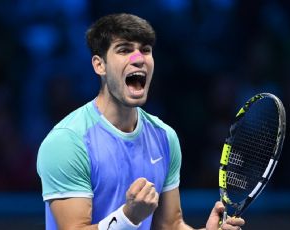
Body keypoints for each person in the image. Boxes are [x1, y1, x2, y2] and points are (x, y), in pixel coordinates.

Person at [37, 13, 245, 230]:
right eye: (124, 50)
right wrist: (127, 218)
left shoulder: (165, 137)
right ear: (100, 66)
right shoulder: (67, 141)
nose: (138, 59)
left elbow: (170, 225)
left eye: (145, 50)